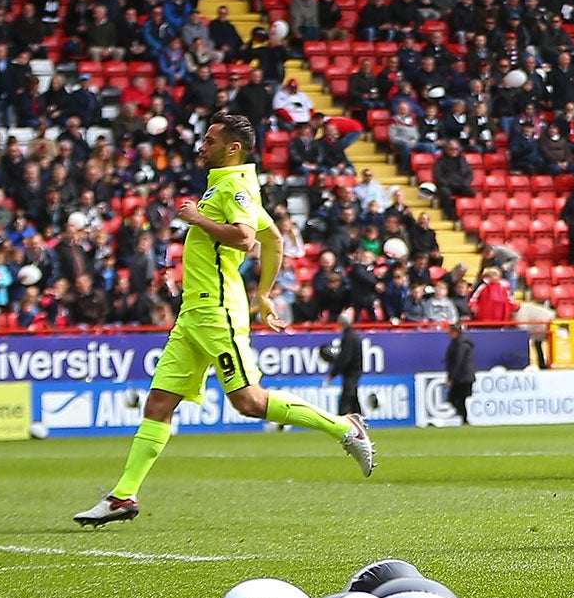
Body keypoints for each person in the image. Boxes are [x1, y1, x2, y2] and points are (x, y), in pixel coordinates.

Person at [74, 113, 374, 525]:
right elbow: (274, 238)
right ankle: (122, 497)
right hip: (193, 314)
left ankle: (345, 426)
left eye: (211, 140)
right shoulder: (230, 185)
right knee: (159, 403)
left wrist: (197, 219)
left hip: (217, 310)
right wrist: (265, 295)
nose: (202, 146)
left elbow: (246, 238)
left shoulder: (235, 186)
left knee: (248, 401)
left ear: (233, 148)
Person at [321, 310, 364, 418]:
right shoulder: (353, 335)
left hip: (351, 371)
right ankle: (360, 418)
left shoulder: (348, 337)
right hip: (355, 370)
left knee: (347, 395)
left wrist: (333, 373)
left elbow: (345, 357)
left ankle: (341, 419)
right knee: (353, 396)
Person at [443, 319, 477, 425]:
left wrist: (451, 378)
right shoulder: (460, 343)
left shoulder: (460, 345)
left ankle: (465, 419)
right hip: (464, 376)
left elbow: (458, 361)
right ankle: (464, 419)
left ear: (455, 332)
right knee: (459, 399)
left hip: (461, 377)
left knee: (455, 398)